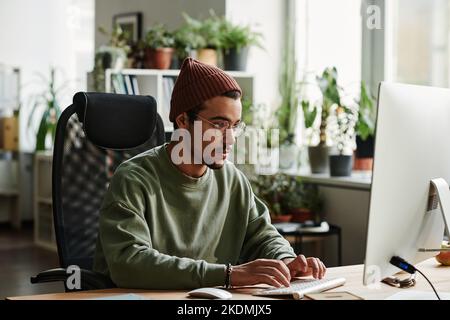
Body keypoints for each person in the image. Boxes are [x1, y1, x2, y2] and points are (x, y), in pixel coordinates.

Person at [93, 57, 326, 289]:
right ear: (183, 120)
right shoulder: (133, 179)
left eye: (235, 126)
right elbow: (129, 263)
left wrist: (286, 260)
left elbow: (262, 235)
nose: (231, 139)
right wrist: (228, 275)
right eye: (219, 125)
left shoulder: (232, 179)